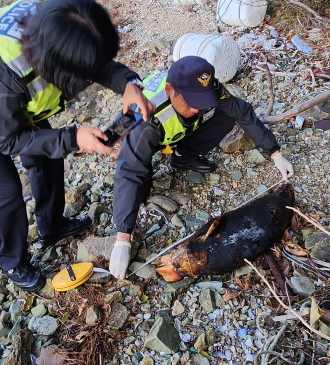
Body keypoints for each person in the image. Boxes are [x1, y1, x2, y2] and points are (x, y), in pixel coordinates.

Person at [0, 0, 153, 293]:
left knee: (48, 157)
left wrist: (129, 84)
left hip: (10, 98)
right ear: (56, 66)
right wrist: (74, 137)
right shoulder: (4, 72)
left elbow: (93, 60)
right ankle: (12, 261)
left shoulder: (66, 18)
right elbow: (6, 139)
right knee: (3, 187)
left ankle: (52, 225)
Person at [108, 55, 294, 279]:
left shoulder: (204, 85)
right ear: (169, 90)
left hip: (176, 130)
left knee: (226, 115)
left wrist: (274, 152)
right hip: (150, 133)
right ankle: (164, 160)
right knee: (140, 183)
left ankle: (181, 155)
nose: (197, 109)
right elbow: (129, 171)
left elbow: (241, 112)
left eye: (201, 101)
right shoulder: (145, 117)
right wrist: (123, 238)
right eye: (190, 102)